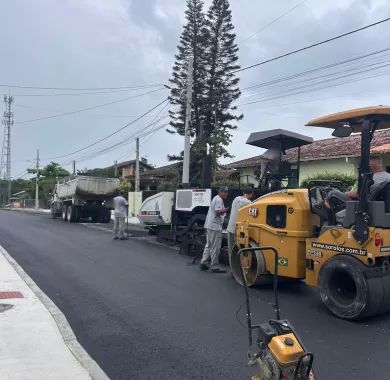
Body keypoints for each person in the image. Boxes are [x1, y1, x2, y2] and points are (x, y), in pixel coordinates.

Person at [200, 186, 229, 273]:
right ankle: (215, 266)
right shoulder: (219, 200)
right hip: (214, 226)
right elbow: (218, 212)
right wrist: (227, 209)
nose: (227, 194)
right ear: (222, 192)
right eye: (226, 192)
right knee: (215, 247)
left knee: (208, 245)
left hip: (209, 225)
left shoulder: (215, 198)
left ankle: (204, 262)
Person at [226, 188, 255, 259]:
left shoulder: (236, 198)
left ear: (244, 192)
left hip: (230, 227)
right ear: (251, 194)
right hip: (238, 229)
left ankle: (231, 266)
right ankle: (236, 267)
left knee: (231, 250)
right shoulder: (248, 203)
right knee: (237, 249)